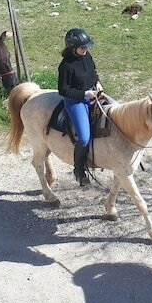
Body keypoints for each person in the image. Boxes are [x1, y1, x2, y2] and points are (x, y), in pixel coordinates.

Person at [58, 27, 102, 188]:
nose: (86, 49)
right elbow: (63, 90)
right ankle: (79, 170)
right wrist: (84, 94)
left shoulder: (87, 56)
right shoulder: (66, 66)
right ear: (73, 48)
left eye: (86, 47)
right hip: (75, 101)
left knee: (117, 108)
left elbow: (93, 72)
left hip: (93, 93)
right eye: (83, 47)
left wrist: (97, 83)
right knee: (84, 137)